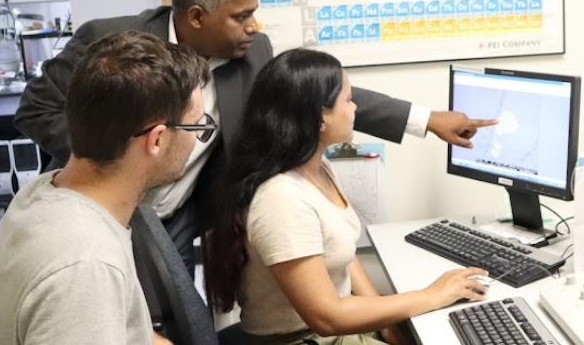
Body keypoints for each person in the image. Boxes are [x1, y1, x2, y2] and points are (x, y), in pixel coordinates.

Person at [14, 0, 496, 277]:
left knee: (178, 320)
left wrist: (427, 119)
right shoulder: (111, 40)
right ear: (196, 16)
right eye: (241, 16)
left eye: (254, 12)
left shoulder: (253, 52)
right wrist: (117, 156)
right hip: (97, 206)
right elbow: (34, 110)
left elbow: (319, 93)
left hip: (179, 216)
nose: (254, 25)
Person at [202, 48, 489, 345]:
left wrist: (387, 322)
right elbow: (327, 317)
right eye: (348, 100)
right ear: (319, 118)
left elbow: (343, 253)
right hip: (305, 337)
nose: (355, 110)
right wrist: (431, 295)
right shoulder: (280, 199)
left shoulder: (316, 165)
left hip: (331, 328)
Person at [0, 30, 212, 345]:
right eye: (196, 126)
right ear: (156, 140)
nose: (198, 137)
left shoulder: (44, 192)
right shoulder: (85, 265)